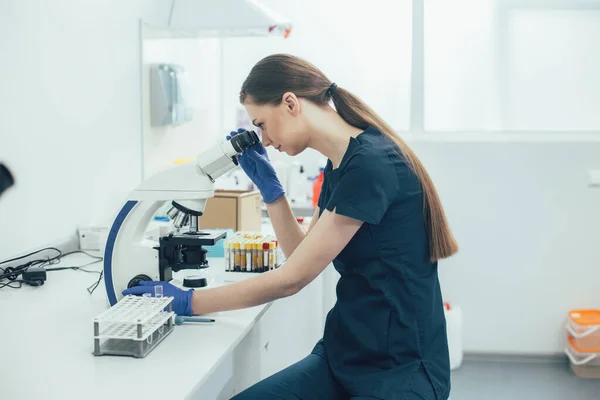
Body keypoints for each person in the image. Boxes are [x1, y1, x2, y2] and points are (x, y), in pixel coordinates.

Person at [124, 54, 459, 400]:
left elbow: (293, 278)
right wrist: (273, 194)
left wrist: (187, 301)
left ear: (290, 103)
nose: (265, 140)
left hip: (401, 371)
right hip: (345, 356)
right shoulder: (341, 163)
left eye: (263, 124)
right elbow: (302, 254)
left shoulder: (371, 164)